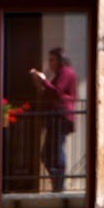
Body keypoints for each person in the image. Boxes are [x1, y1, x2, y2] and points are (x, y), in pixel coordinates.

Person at [30, 47, 78, 193]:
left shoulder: (66, 72)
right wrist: (40, 84)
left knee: (56, 150)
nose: (49, 63)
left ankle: (59, 185)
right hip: (55, 116)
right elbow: (50, 94)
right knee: (47, 154)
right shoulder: (59, 74)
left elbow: (57, 92)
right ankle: (57, 182)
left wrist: (44, 80)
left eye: (52, 60)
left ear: (59, 60)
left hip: (61, 116)